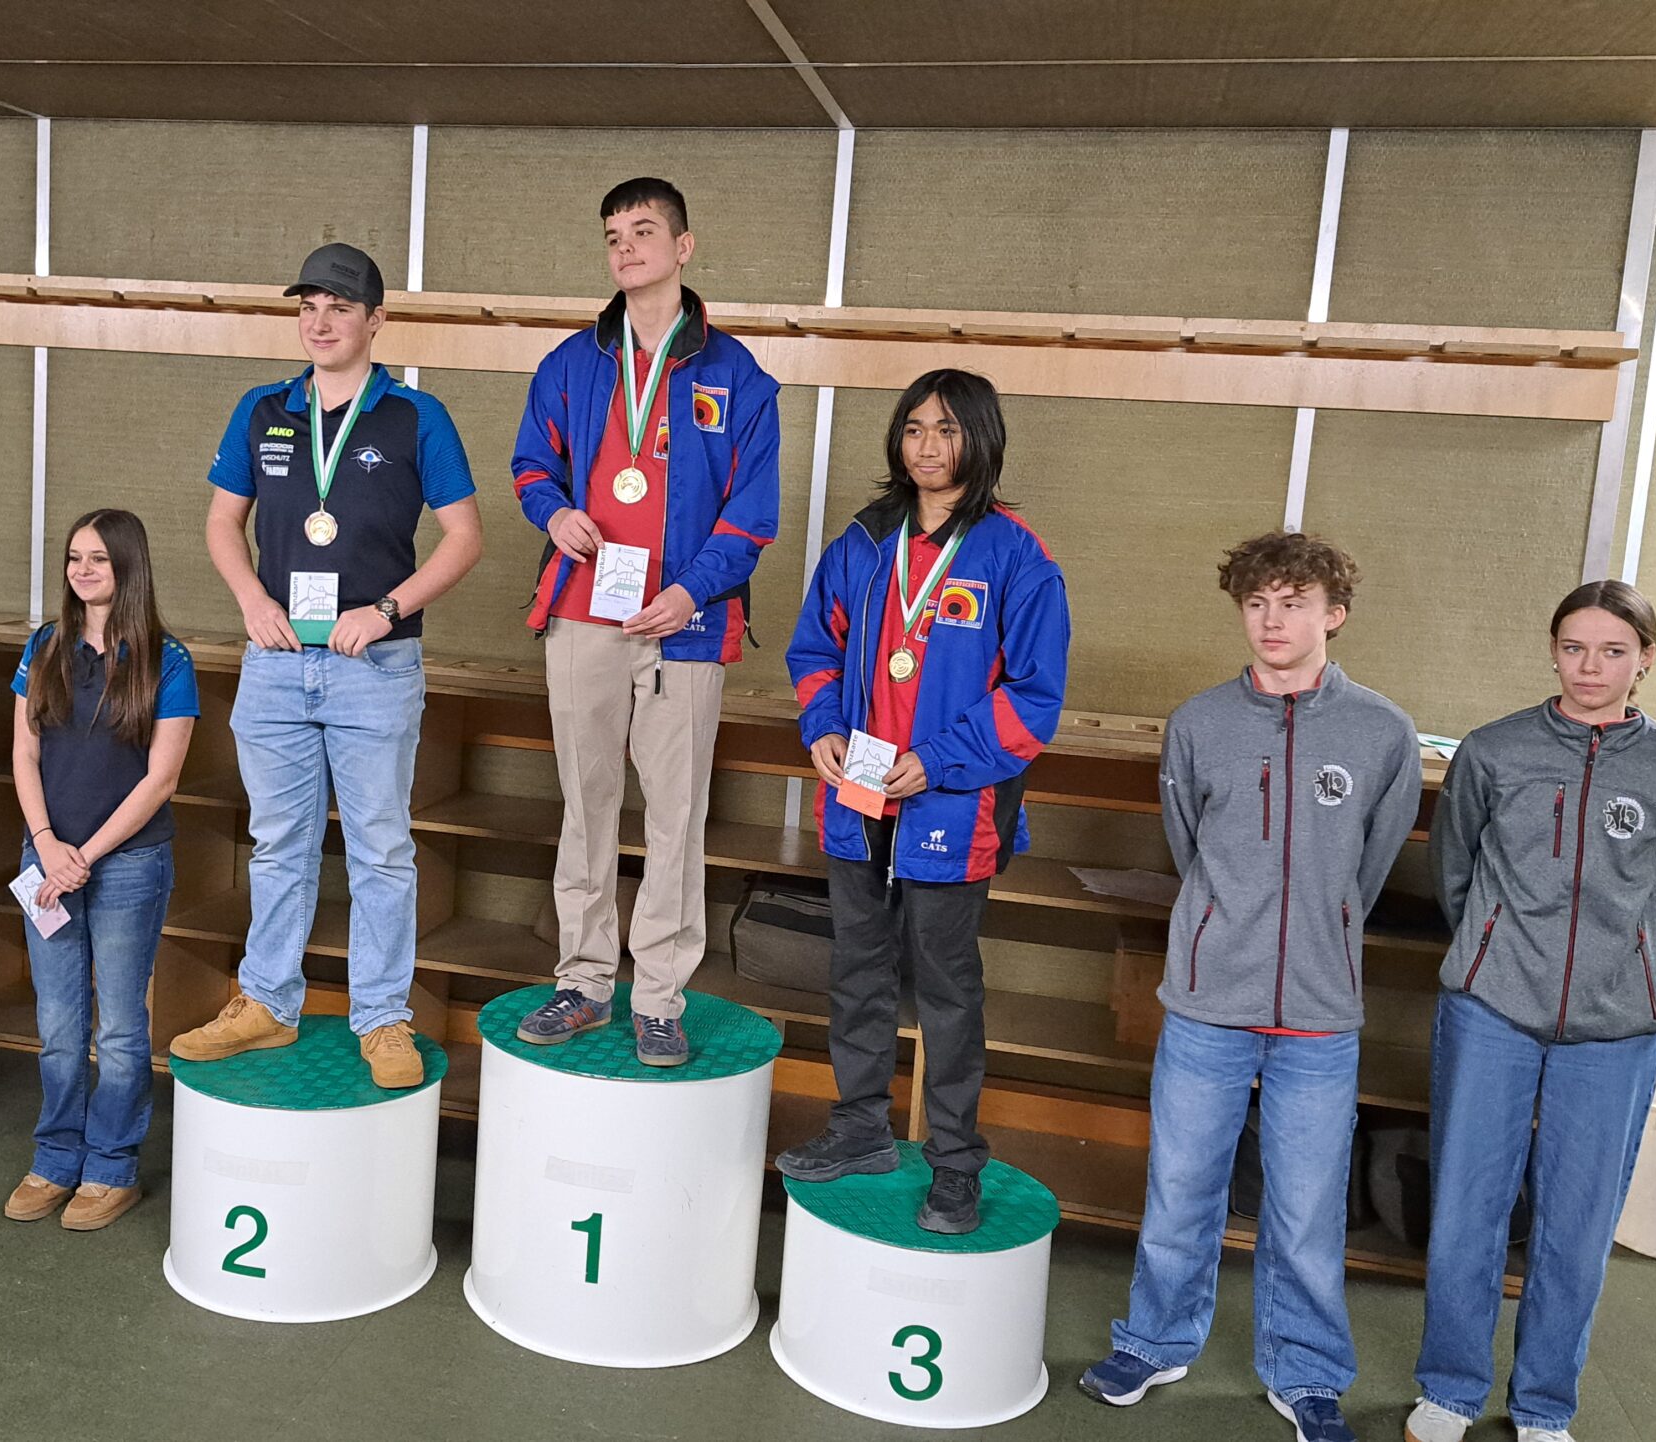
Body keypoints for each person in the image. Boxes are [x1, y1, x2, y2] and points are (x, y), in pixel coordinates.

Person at [1079, 533, 1422, 1442]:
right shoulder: (1198, 724)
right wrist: (1225, 932)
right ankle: (1154, 1341)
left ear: (1334, 615)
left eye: (1294, 603)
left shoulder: (1383, 733)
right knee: (1180, 1185)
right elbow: (1189, 845)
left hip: (1320, 1012)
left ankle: (1305, 1373)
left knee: (1306, 1209)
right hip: (1207, 1004)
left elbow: (1371, 865)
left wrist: (1321, 930)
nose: (1273, 621)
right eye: (1258, 603)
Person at [167, 242, 483, 1090]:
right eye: (308, 306)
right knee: (277, 846)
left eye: (339, 307)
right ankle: (268, 1002)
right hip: (275, 663)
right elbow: (222, 523)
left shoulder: (416, 417)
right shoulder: (262, 409)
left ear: (376, 321)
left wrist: (386, 610)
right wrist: (251, 601)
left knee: (381, 850)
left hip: (374, 666)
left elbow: (464, 537)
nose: (320, 321)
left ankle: (382, 1017)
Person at [1405, 582, 1656, 1442]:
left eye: (1613, 651)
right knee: (1467, 1209)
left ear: (1644, 660)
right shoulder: (1493, 751)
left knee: (1577, 1225)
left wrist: (1618, 962)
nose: (1590, 667)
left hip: (1615, 1028)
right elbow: (1453, 873)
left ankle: (1543, 1407)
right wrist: (1493, 948)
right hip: (1491, 1009)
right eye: (1574, 648)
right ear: (1552, 651)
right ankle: (1450, 1392)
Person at [780, 369, 1069, 1232]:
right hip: (857, 795)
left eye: (946, 430)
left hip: (953, 805)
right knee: (857, 972)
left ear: (981, 438)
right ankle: (860, 1130)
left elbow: (1033, 699)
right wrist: (822, 727)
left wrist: (937, 762)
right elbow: (814, 649)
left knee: (946, 990)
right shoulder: (864, 542)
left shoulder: (1016, 555)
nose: (927, 446)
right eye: (913, 429)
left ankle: (954, 1163)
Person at [507, 177, 782, 1064]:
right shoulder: (571, 363)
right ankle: (584, 981)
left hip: (684, 628)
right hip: (583, 613)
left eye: (643, 231)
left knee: (675, 818)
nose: (625, 248)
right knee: (585, 808)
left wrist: (692, 592)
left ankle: (659, 995)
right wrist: (553, 512)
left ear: (683, 247)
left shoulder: (739, 377)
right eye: (613, 236)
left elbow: (753, 516)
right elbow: (529, 466)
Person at [3, 509, 196, 1232]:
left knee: (118, 1027)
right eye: (74, 558)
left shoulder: (167, 660)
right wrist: (47, 843)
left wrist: (85, 856)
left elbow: (161, 780)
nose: (82, 571)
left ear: (128, 567)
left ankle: (111, 1167)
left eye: (98, 560)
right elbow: (24, 752)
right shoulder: (45, 646)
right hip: (47, 858)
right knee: (58, 1023)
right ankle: (56, 1156)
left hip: (129, 865)